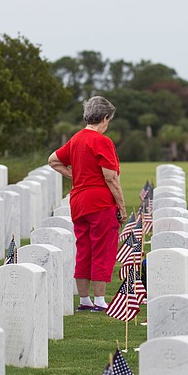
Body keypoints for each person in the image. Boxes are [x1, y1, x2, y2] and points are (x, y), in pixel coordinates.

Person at [48, 96, 127, 311]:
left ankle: (84, 300)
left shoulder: (76, 138)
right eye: (108, 120)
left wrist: (77, 176)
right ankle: (100, 301)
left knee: (84, 250)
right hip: (100, 202)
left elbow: (53, 160)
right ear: (104, 117)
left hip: (79, 201)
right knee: (102, 248)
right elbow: (110, 177)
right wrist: (122, 206)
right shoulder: (103, 141)